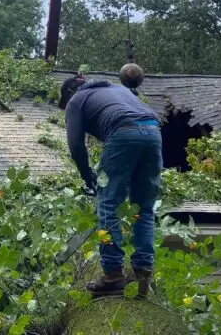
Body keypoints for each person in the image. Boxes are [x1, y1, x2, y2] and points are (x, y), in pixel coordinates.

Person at [59, 74, 163, 297]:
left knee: (108, 204)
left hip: (123, 131)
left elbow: (76, 144)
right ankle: (143, 271)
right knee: (143, 207)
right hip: (154, 133)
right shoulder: (119, 90)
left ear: (69, 93)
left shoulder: (76, 100)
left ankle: (113, 272)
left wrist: (87, 176)